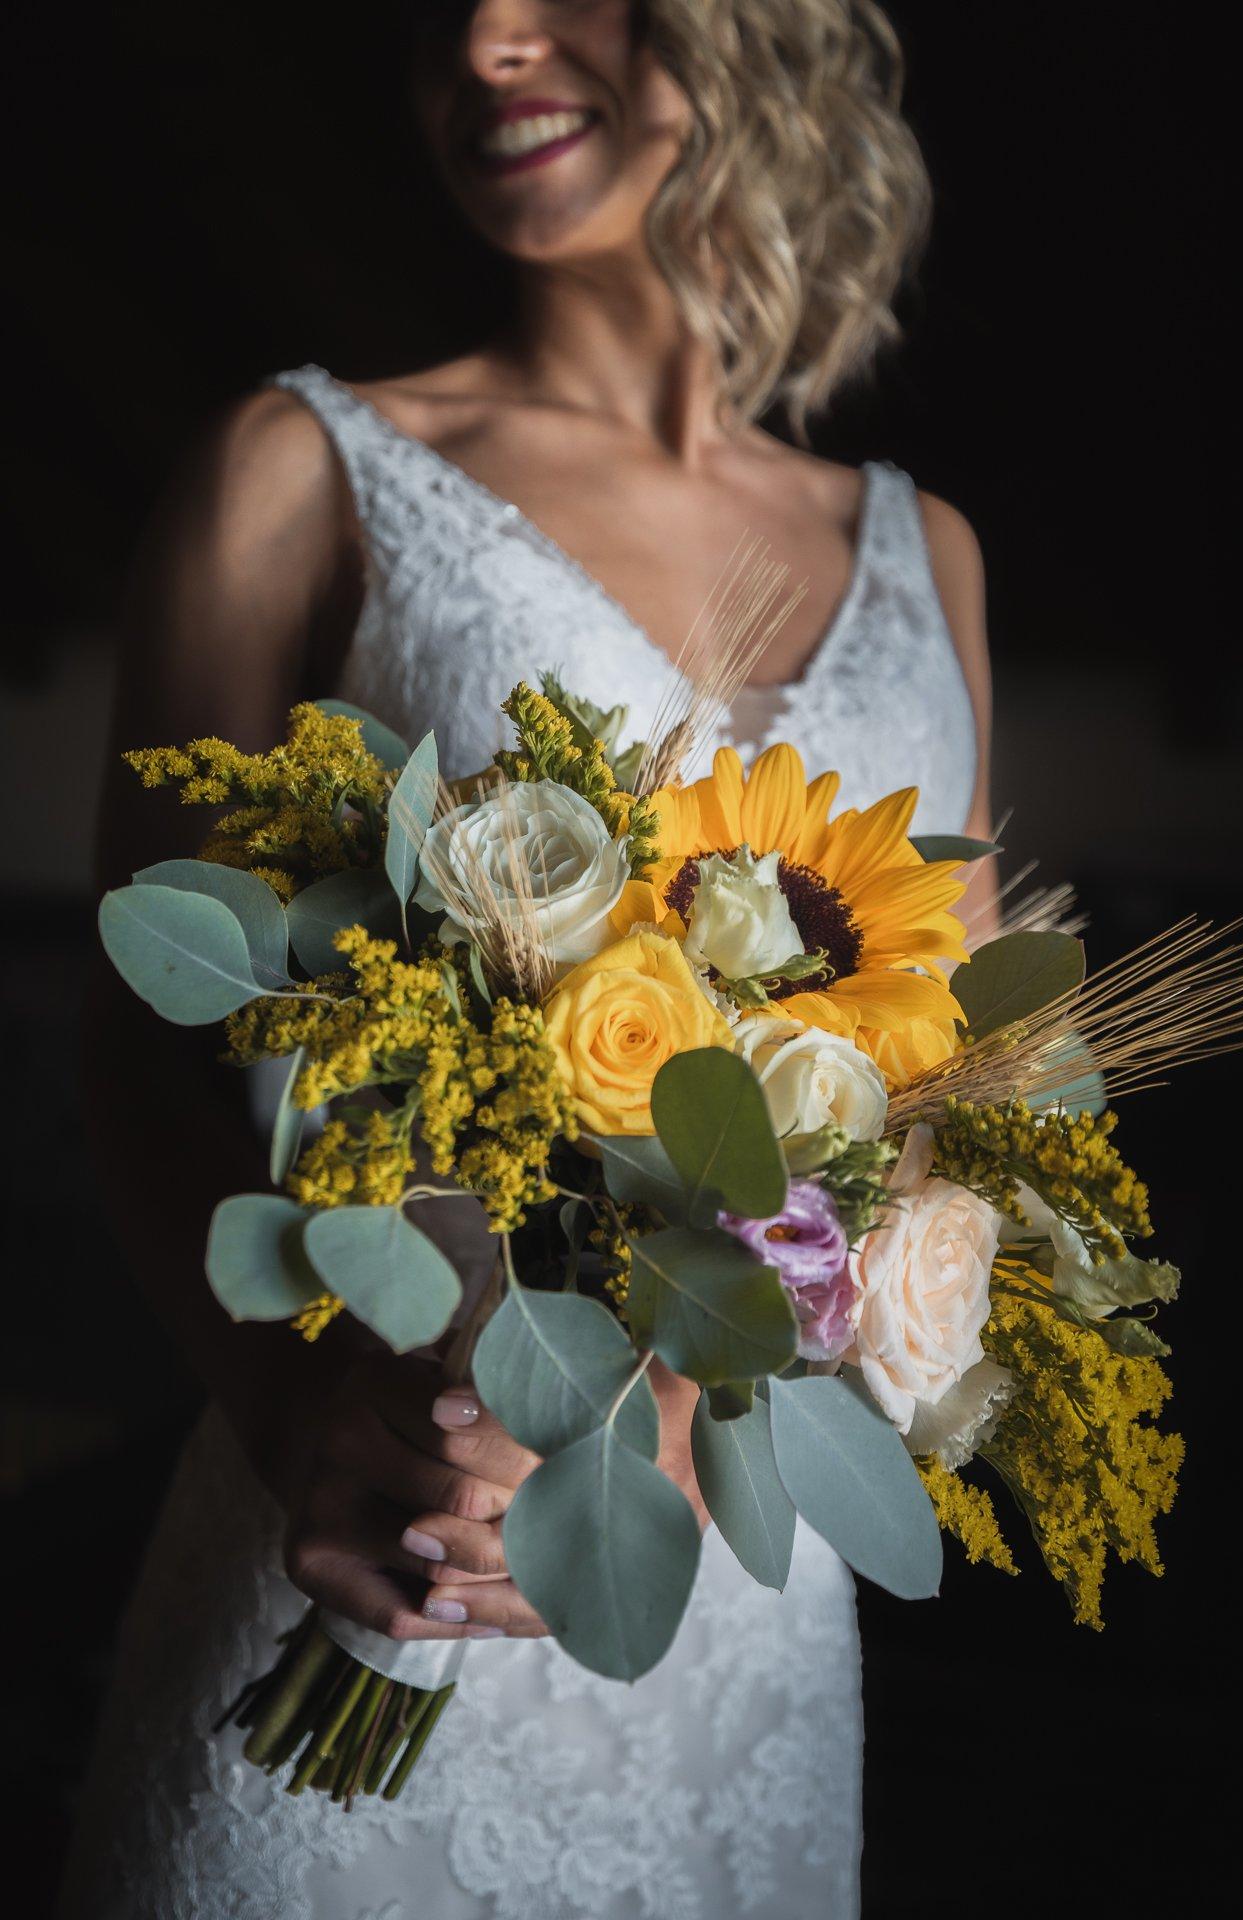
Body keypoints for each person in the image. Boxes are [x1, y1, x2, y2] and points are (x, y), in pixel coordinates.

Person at [62, 3, 995, 1914]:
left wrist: (700, 1382)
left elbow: (947, 1098)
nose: (483, 35)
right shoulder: (305, 465)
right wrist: (293, 1414)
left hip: (741, 1631)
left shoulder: (925, 552)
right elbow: (138, 1040)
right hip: (387, 1546)